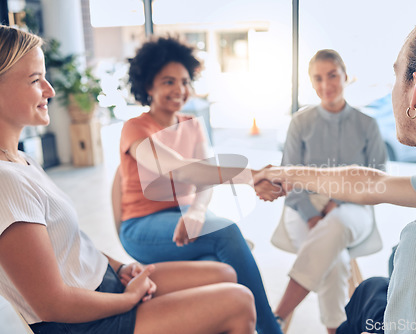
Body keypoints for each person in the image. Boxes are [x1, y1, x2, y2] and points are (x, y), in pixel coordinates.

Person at [255, 4, 416, 333]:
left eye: (396, 74)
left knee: (365, 297)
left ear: (415, 89)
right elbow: (372, 182)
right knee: (370, 290)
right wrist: (287, 174)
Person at [0, 25, 257, 334]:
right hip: (88, 321)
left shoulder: (22, 162)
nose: (50, 90)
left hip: (106, 284)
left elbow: (69, 245)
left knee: (225, 275)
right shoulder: (6, 181)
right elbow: (52, 305)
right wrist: (129, 299)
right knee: (238, 301)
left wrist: (120, 267)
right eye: (34, 79)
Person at [119, 36, 282, 334]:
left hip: (183, 222)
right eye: (168, 81)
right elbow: (180, 171)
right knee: (227, 232)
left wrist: (195, 212)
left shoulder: (192, 123)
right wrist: (250, 176)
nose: (179, 90)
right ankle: (271, 329)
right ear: (148, 86)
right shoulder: (136, 128)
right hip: (141, 227)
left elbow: (204, 179)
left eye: (184, 81)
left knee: (220, 266)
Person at [273, 49, 386, 333]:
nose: (326, 85)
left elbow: (378, 180)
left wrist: (340, 201)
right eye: (318, 78)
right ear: (312, 83)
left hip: (355, 207)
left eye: (332, 75)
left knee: (335, 225)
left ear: (346, 76)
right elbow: (289, 176)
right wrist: (313, 213)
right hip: (302, 206)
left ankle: (277, 316)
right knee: (335, 262)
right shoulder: (300, 122)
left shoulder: (367, 124)